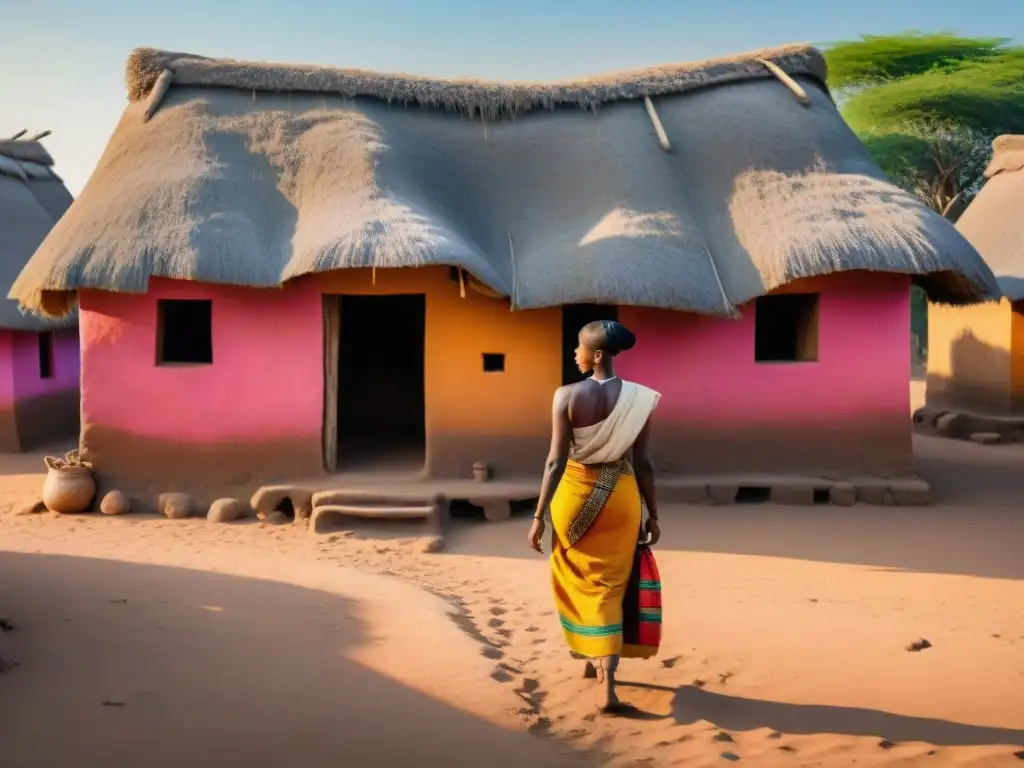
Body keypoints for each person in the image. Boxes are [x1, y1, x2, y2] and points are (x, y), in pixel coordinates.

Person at [528, 319, 661, 714]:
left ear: (597, 355)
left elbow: (555, 462)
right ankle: (599, 667)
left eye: (579, 348)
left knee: (579, 579)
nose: (575, 354)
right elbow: (645, 464)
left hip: (572, 498)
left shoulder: (565, 395)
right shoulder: (641, 398)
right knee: (611, 586)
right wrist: (653, 514)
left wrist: (538, 515)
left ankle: (605, 686)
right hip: (621, 499)